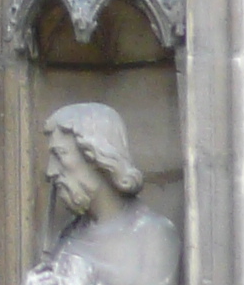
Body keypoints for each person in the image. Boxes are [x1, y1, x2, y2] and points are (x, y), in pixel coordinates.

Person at [29, 104, 176, 285]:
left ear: (95, 157)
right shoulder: (68, 237)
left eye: (60, 155)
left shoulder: (152, 235)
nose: (50, 172)